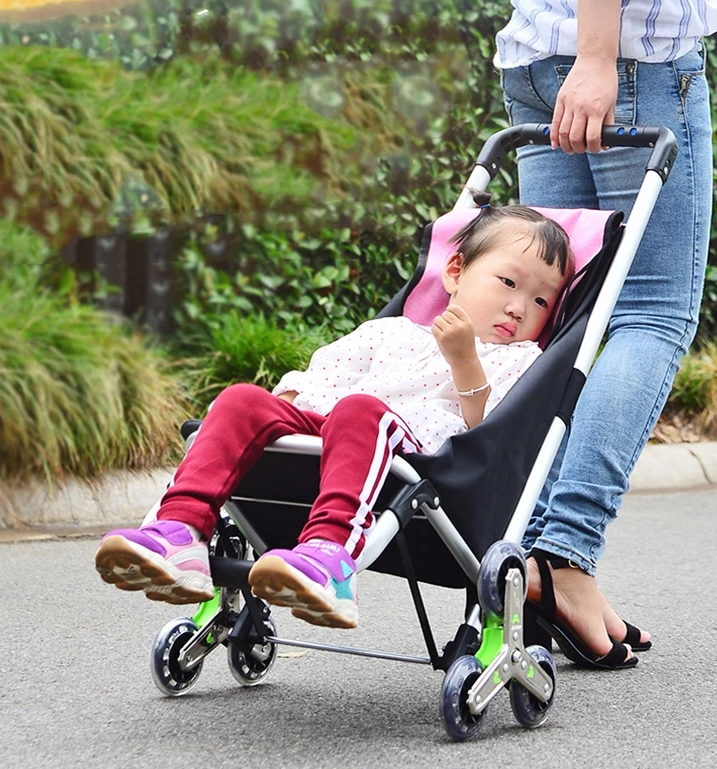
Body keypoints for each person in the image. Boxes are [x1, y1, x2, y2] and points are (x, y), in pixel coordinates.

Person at [95, 205, 574, 628]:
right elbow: (318, 377)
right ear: (454, 272)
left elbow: (490, 430)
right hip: (329, 434)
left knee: (360, 410)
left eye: (541, 301)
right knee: (242, 399)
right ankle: (180, 531)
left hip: (415, 457)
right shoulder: (392, 332)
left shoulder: (519, 360)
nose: (518, 308)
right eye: (508, 283)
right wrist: (273, 411)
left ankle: (330, 557)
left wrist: (465, 360)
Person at [495, 0, 717, 667]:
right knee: (651, 314)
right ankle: (565, 556)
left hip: (540, 57)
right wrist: (595, 60)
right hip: (623, 66)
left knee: (564, 317)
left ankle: (532, 559)